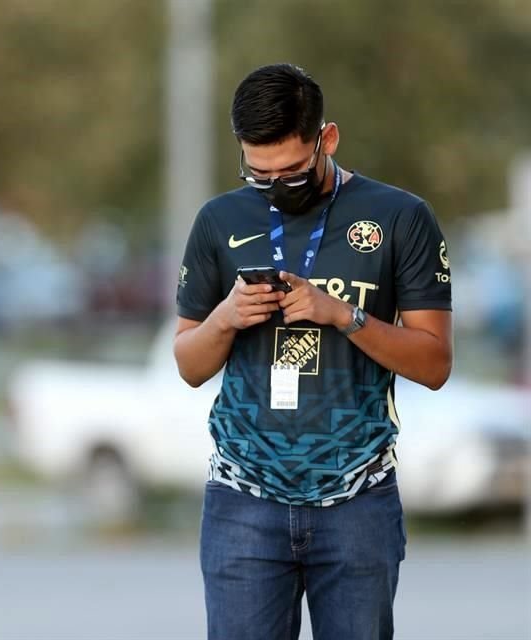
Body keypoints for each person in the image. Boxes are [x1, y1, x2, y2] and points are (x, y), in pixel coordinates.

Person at [173, 64, 452, 640]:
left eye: (294, 171)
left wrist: (342, 315)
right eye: (260, 173)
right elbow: (189, 365)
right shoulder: (217, 221)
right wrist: (225, 318)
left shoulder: (401, 217)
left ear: (327, 139)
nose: (277, 185)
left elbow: (434, 363)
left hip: (358, 499)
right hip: (242, 499)